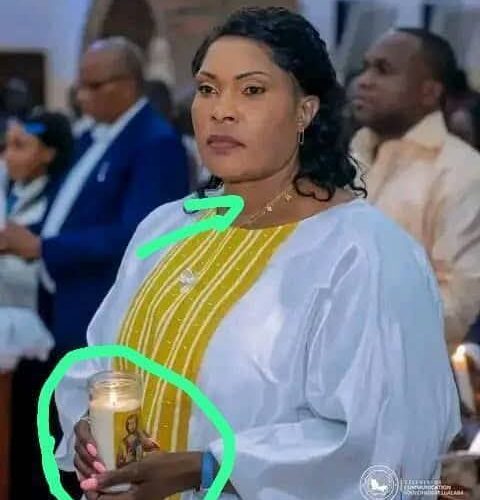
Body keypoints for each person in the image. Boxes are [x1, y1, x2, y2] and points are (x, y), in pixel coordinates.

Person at [56, 8, 459, 500]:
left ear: (305, 111)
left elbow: (385, 441)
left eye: (252, 90)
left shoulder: (365, 253)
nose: (221, 110)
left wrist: (208, 467)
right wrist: (90, 422)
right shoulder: (166, 227)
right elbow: (104, 358)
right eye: (207, 89)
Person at [0, 37, 190, 356]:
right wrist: (23, 237)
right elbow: (71, 212)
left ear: (128, 86)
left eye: (93, 86)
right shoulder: (90, 136)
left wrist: (43, 247)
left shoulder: (155, 143)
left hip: (103, 306)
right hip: (62, 298)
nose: (81, 96)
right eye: (81, 85)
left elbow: (139, 236)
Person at [351, 28, 480, 354]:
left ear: (429, 92)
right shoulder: (350, 158)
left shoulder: (463, 172)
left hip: (407, 371)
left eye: (383, 70)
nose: (363, 81)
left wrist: (354, 320)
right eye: (365, 68)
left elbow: (457, 307)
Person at [0, 111, 73, 499]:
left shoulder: (56, 204)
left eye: (20, 146)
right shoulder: (10, 191)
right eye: (7, 145)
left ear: (47, 154)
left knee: (30, 439)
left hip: (37, 339)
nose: (8, 156)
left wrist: (19, 246)